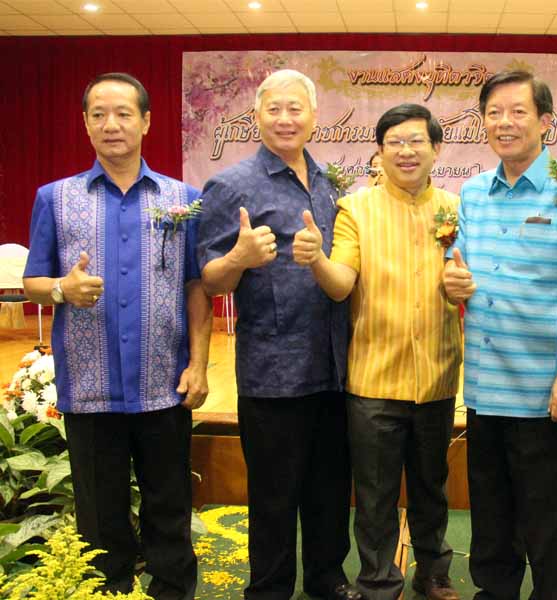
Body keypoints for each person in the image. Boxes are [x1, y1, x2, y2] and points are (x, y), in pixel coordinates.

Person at [22, 72, 212, 600]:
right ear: (85, 124)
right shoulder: (55, 199)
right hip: (90, 386)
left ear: (146, 122)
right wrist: (62, 288)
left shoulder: (183, 200)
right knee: (99, 515)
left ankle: (172, 589)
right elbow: (33, 281)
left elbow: (197, 287)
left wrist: (199, 364)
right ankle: (109, 589)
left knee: (169, 505)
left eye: (124, 113)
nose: (112, 124)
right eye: (99, 114)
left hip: (164, 383)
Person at [442, 70, 557, 600]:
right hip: (483, 388)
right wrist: (451, 281)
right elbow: (456, 271)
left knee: (548, 519)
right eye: (493, 113)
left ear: (545, 121)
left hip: (543, 393)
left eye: (518, 112)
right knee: (491, 517)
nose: (504, 123)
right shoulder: (473, 193)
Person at [196, 69, 358, 600]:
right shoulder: (232, 185)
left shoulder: (330, 183)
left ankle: (327, 579)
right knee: (273, 496)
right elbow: (209, 278)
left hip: (335, 367)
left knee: (330, 488)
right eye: (274, 109)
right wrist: (239, 258)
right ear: (257, 117)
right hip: (273, 372)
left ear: (314, 117)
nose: (285, 119)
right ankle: (268, 589)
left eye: (296, 109)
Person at [293, 103, 462, 600]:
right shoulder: (356, 209)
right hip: (374, 379)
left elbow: (467, 276)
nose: (406, 151)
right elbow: (341, 284)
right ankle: (379, 582)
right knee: (374, 495)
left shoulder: (455, 209)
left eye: (416, 141)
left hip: (436, 374)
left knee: (431, 487)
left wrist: (464, 284)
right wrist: (317, 260)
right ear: (380, 151)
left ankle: (433, 573)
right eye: (395, 142)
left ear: (436, 149)